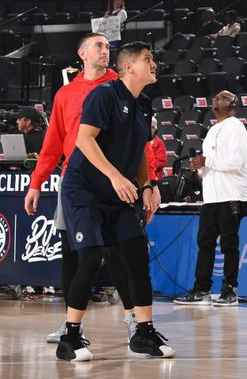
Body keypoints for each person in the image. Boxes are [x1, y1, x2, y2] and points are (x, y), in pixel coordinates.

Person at [24, 33, 155, 345]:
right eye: (99, 45)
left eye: (108, 46)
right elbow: (53, 143)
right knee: (73, 253)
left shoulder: (122, 86)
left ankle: (133, 318)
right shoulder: (66, 94)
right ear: (81, 53)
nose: (105, 50)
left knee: (121, 252)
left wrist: (149, 183)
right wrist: (36, 183)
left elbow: (140, 145)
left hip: (115, 183)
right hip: (77, 181)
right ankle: (73, 326)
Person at [56, 41, 172, 361]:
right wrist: (115, 176)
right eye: (148, 59)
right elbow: (84, 139)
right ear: (129, 67)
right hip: (84, 190)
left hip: (117, 192)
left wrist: (147, 186)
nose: (154, 64)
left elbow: (140, 153)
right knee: (91, 258)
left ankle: (144, 334)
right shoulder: (104, 94)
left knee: (136, 255)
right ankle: (70, 336)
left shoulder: (144, 103)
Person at [173, 90, 247, 307]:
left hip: (231, 195)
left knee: (229, 244)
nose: (218, 99)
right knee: (205, 243)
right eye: (216, 97)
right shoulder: (211, 130)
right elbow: (210, 166)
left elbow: (236, 161)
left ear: (233, 106)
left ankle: (230, 290)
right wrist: (198, 168)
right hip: (211, 197)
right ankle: (202, 289)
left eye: (224, 97)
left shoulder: (236, 126)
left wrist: (207, 161)